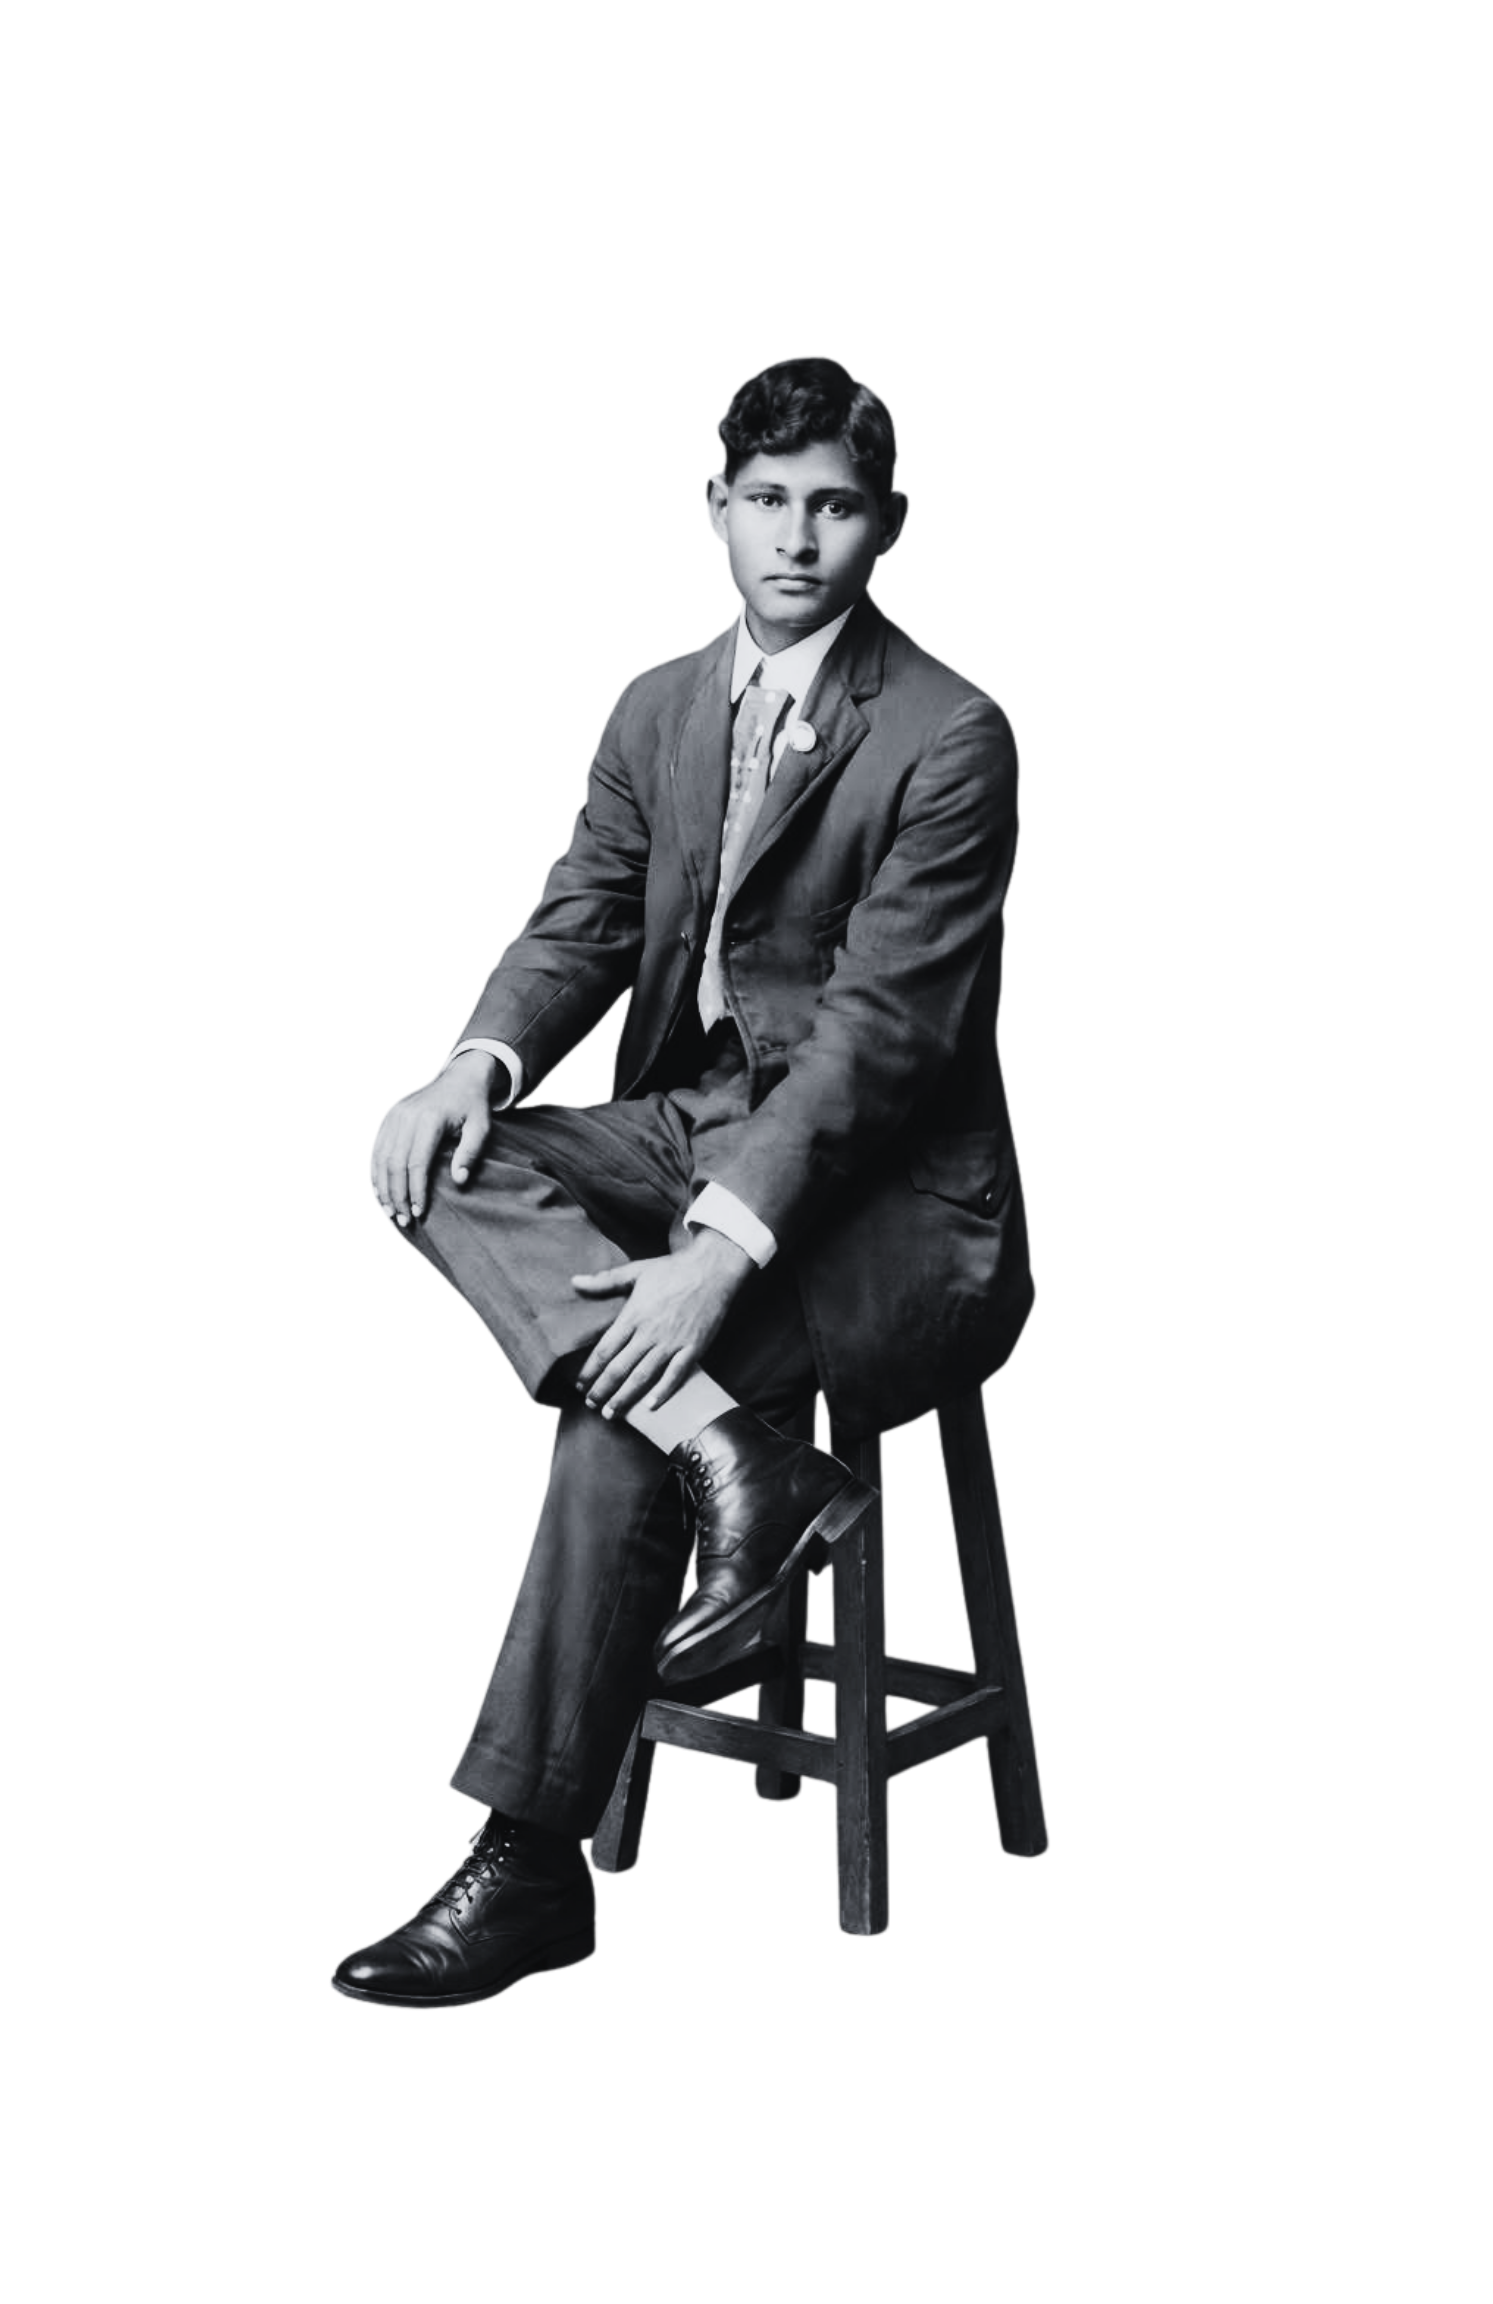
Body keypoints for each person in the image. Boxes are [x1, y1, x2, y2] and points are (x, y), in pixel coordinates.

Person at [336, 355, 1035, 2009]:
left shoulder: (957, 730)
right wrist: (466, 1063)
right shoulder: (655, 703)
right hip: (680, 1123)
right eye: (770, 502)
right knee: (439, 1164)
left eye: (838, 506)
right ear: (714, 519)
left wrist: (716, 1255)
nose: (800, 536)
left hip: (897, 1203)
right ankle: (738, 1460)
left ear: (889, 530)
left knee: (605, 1406)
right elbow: (579, 914)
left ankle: (522, 1876)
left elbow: (877, 1040)